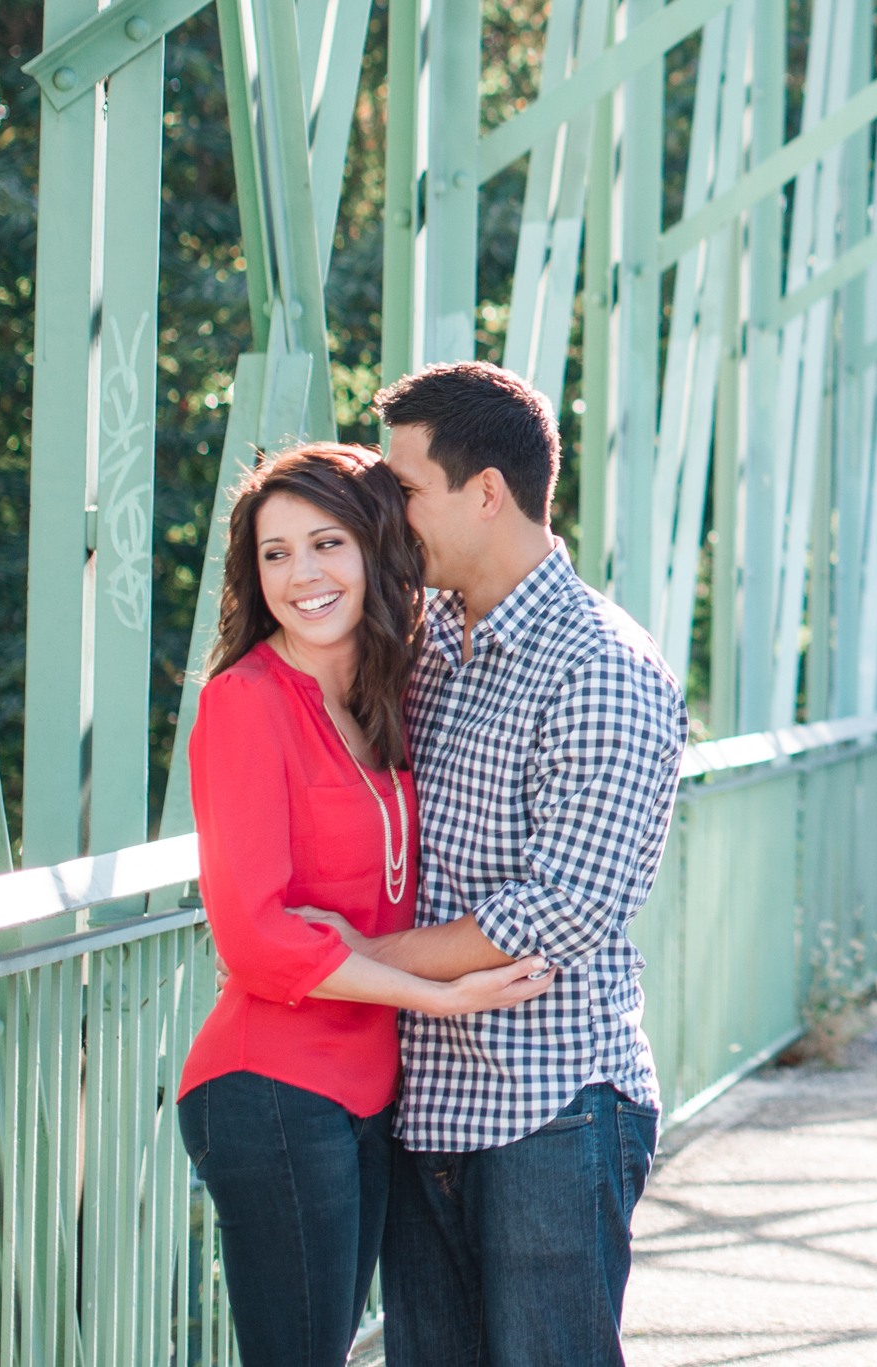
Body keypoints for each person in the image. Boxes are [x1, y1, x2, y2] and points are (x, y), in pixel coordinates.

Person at [314, 362, 689, 1366]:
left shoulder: (601, 665)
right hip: (421, 1095)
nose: (384, 515)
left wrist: (355, 956)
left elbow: (557, 910)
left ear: (485, 490)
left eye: (403, 490)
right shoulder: (423, 643)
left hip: (549, 1104)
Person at [173, 443, 554, 1367]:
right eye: (274, 554)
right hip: (270, 1084)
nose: (301, 574)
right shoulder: (244, 703)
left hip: (367, 1088)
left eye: (326, 542)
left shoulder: (387, 695)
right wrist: (441, 994)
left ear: (375, 549)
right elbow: (255, 937)